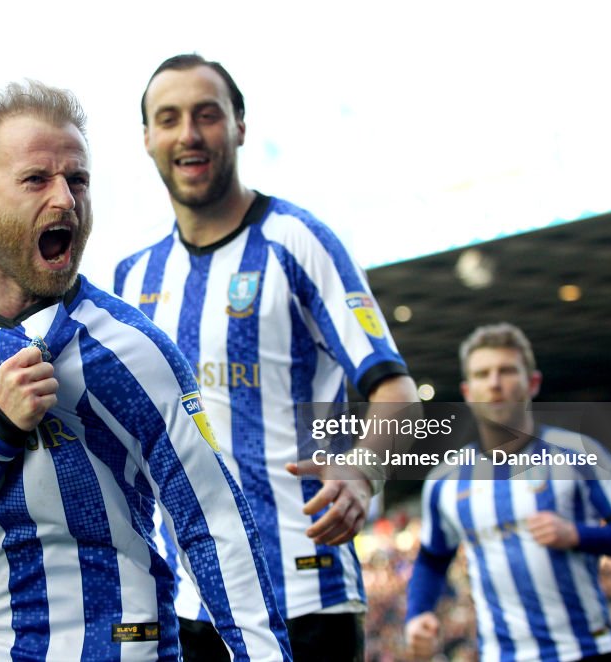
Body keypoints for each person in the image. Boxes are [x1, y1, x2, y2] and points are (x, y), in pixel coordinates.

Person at [0, 79, 292, 662]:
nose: (65, 199)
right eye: (37, 179)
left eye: (78, 179)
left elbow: (215, 527)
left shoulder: (136, 350)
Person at [115, 53, 419, 661]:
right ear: (148, 138)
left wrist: (362, 472)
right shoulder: (134, 280)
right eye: (169, 119)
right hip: (185, 611)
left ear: (239, 126)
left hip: (302, 596)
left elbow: (398, 395)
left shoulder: (297, 242)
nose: (189, 134)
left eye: (207, 114)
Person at [404, 322, 611, 662]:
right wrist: (418, 612)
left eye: (507, 371)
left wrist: (577, 535)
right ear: (467, 391)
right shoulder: (445, 480)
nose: (495, 383)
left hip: (587, 652)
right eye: (483, 374)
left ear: (533, 382)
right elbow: (432, 558)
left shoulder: (579, 453)